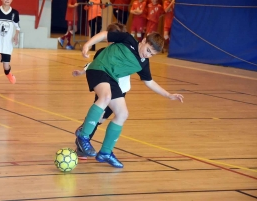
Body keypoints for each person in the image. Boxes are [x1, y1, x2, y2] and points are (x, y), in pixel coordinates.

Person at [75, 30, 184, 168]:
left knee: (122, 114)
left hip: (112, 78)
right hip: (99, 69)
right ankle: (83, 136)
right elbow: (104, 34)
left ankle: (105, 152)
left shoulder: (144, 63)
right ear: (144, 41)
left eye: (152, 54)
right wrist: (87, 45)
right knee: (106, 97)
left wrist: (168, 95)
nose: (147, 54)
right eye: (148, 50)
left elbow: (149, 81)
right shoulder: (127, 39)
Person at [72, 22, 130, 160]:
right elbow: (94, 65)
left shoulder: (126, 53)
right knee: (99, 113)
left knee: (101, 119)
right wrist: (81, 72)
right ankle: (82, 147)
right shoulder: (102, 52)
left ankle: (84, 127)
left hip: (121, 90)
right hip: (105, 87)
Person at [0, 0, 20, 93]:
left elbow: (18, 27)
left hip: (7, 44)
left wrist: (16, 36)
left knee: (6, 66)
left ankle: (8, 73)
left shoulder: (14, 13)